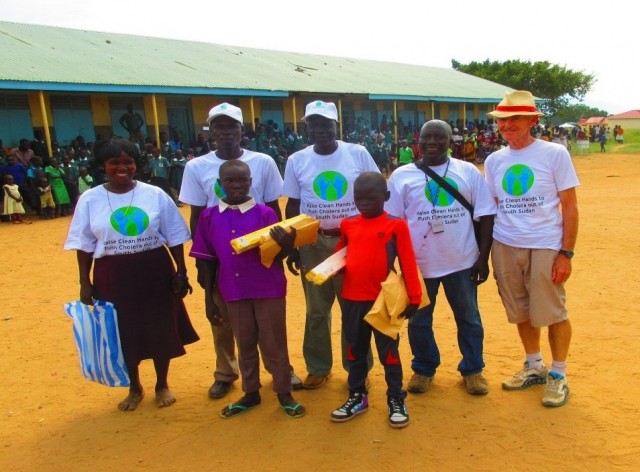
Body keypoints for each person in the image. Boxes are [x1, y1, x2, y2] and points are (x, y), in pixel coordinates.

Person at [64, 138, 199, 412]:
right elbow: (84, 245)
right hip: (113, 275)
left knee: (160, 327)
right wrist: (85, 282)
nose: (122, 167)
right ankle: (134, 387)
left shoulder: (155, 194)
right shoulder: (90, 199)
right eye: (115, 162)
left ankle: (162, 384)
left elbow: (174, 237)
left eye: (128, 161)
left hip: (155, 271)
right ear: (103, 166)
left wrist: (181, 272)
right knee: (123, 331)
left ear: (137, 164)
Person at [179, 102, 301, 399]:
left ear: (241, 129)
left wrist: (281, 248)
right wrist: (201, 261)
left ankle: (278, 371)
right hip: (219, 251)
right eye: (218, 126)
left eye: (231, 126)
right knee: (224, 318)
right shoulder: (196, 166)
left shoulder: (263, 162)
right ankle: (226, 372)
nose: (225, 132)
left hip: (259, 256)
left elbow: (273, 208)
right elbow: (197, 214)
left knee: (265, 319)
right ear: (211, 132)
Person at [386, 119, 496, 396]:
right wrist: (393, 263)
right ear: (418, 142)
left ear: (451, 142)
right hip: (419, 265)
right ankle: (423, 369)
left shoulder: (468, 171)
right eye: (426, 138)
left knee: (468, 317)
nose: (432, 143)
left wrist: (483, 258)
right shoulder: (401, 176)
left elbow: (485, 215)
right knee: (419, 320)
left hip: (462, 261)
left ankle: (473, 370)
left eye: (440, 138)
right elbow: (392, 223)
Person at [484, 91, 579, 408]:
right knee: (520, 309)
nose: (507, 126)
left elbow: (570, 206)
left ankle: (559, 375)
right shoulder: (495, 160)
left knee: (553, 312)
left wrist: (566, 253)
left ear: (533, 121)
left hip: (545, 245)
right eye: (502, 120)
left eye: (515, 119)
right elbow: (495, 204)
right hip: (506, 244)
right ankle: (534, 365)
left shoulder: (554, 154)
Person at [190, 159, 305, 419]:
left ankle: (284, 392)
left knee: (274, 341)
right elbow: (206, 260)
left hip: (268, 288)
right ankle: (250, 392)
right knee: (245, 342)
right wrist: (209, 299)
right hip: (232, 290)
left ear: (251, 182)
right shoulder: (209, 217)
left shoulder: (265, 214)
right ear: (219, 185)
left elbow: (276, 256)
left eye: (242, 180)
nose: (236, 185)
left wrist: (287, 245)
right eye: (229, 181)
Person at [283, 100, 379, 389]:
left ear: (337, 126)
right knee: (316, 309)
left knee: (354, 307)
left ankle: (356, 366)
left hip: (353, 243)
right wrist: (293, 246)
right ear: (306, 127)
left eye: (326, 124)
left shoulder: (357, 153)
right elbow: (293, 205)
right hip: (313, 243)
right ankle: (318, 367)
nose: (320, 129)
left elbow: (374, 190)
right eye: (313, 124)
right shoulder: (297, 160)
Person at [329, 172, 421, 428]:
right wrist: (329, 268)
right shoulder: (348, 224)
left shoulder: (395, 225)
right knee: (354, 351)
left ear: (386, 197)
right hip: (351, 300)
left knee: (388, 353)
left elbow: (407, 261)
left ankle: (396, 398)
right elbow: (341, 252)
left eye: (371, 198)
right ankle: (357, 396)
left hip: (383, 302)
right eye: (359, 198)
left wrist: (414, 296)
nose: (364, 202)